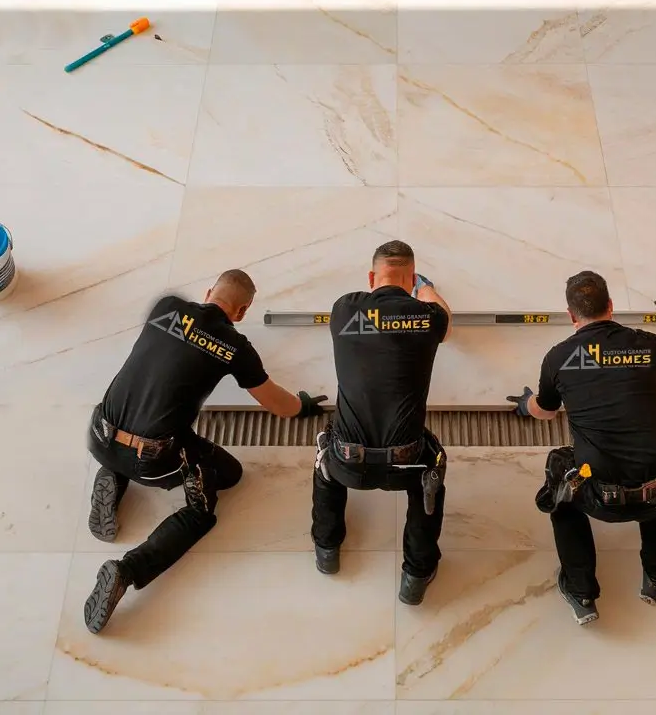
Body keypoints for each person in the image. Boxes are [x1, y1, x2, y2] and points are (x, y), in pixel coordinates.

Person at [83, 269, 326, 633]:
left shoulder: (166, 306)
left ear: (209, 290)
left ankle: (112, 472)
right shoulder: (234, 346)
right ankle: (127, 569)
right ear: (242, 311)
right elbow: (278, 404)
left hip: (98, 434)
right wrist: (303, 405)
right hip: (153, 460)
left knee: (143, 408)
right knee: (219, 489)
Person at [507, 270, 656, 626]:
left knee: (560, 478)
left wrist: (525, 404)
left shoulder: (559, 357)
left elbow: (545, 412)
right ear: (611, 306)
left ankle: (581, 591)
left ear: (571, 315)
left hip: (597, 494)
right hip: (655, 493)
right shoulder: (646, 344)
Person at [311, 240, 452, 606]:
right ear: (410, 279)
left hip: (347, 462)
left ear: (372, 277)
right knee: (432, 470)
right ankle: (416, 576)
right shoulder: (428, 317)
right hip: (405, 464)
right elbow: (445, 319)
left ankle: (326, 549)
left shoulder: (344, 309)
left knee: (324, 458)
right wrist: (428, 289)